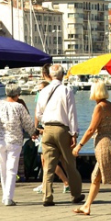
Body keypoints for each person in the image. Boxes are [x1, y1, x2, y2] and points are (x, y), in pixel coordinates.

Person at [72, 81, 111, 217]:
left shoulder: (100, 107)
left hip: (104, 144)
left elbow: (91, 129)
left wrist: (79, 145)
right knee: (96, 177)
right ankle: (87, 206)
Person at [35, 64, 84, 206]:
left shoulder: (43, 91)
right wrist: (74, 133)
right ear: (62, 75)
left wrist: (44, 125)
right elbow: (71, 114)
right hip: (62, 129)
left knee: (49, 165)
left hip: (47, 129)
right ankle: (75, 194)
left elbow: (38, 113)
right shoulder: (66, 90)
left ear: (50, 76)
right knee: (69, 163)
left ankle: (47, 196)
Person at [0, 83, 35, 206]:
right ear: (17, 94)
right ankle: (8, 197)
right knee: (12, 169)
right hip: (14, 140)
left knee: (2, 168)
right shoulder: (19, 107)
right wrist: (34, 132)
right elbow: (27, 123)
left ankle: (5, 195)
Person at [32, 71, 70, 194]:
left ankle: (61, 182)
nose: (39, 91)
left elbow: (37, 113)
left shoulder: (45, 94)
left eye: (40, 89)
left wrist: (37, 127)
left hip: (47, 130)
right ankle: (58, 183)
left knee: (47, 160)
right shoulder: (54, 93)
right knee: (56, 159)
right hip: (56, 129)